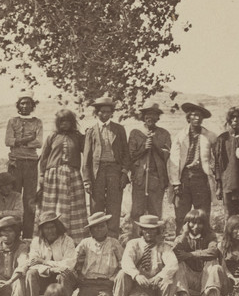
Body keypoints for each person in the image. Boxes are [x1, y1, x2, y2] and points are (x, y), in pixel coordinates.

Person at [36, 108, 88, 242]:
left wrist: (88, 136)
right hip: (53, 177)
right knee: (52, 207)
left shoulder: (77, 137)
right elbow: (44, 158)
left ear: (72, 122)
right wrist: (41, 175)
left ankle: (73, 240)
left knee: (73, 207)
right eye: (61, 121)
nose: (64, 124)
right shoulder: (52, 137)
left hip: (72, 176)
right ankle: (51, 237)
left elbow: (88, 151)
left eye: (67, 121)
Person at [82, 95, 130, 238]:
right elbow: (87, 158)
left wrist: (124, 172)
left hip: (114, 170)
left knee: (114, 205)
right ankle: (96, 238)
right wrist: (87, 180)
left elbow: (126, 154)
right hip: (98, 172)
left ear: (112, 113)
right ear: (97, 113)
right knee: (96, 206)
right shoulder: (91, 130)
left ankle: (113, 238)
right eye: (102, 111)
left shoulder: (119, 129)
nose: (105, 114)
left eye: (108, 111)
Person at [169, 101, 216, 232]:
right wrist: (176, 183)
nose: (197, 118)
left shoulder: (210, 136)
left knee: (202, 214)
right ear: (188, 117)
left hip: (201, 178)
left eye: (200, 115)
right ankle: (180, 244)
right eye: (194, 115)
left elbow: (217, 157)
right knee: (181, 215)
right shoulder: (180, 136)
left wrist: (213, 173)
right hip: (184, 178)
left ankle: (203, 243)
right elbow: (174, 160)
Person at [115, 215, 178, 296]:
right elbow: (126, 261)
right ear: (141, 230)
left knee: (170, 275)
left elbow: (173, 263)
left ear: (157, 231)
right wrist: (136, 275)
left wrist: (159, 276)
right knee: (122, 274)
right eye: (146, 229)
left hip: (155, 286)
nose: (149, 233)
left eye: (152, 230)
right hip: (135, 284)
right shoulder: (133, 244)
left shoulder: (163, 246)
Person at [127, 102, 172, 236]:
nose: (150, 117)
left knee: (155, 211)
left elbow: (167, 154)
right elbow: (130, 156)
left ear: (158, 118)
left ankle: (156, 240)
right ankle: (135, 238)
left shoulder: (164, 134)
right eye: (147, 115)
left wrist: (155, 146)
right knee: (137, 211)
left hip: (156, 178)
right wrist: (144, 148)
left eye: (154, 115)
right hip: (140, 178)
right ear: (143, 117)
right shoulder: (135, 133)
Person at [5, 93, 43, 238]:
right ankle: (13, 233)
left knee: (29, 200)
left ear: (32, 106)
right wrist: (28, 139)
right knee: (14, 197)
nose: (25, 106)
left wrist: (19, 141)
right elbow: (8, 141)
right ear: (18, 105)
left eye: (28, 103)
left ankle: (27, 236)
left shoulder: (38, 122)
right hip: (15, 163)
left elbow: (38, 143)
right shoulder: (12, 121)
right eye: (22, 103)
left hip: (31, 163)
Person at [172, 208, 224, 296]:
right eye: (192, 223)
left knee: (213, 263)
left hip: (205, 278)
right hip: (188, 280)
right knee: (178, 264)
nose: (196, 227)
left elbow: (213, 252)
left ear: (204, 224)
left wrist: (190, 255)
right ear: (187, 223)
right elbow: (173, 254)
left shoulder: (210, 236)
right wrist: (184, 234)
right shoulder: (181, 238)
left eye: (200, 223)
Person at [73, 212, 124, 296]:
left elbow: (123, 263)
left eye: (102, 226)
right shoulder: (85, 243)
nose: (99, 229)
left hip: (106, 284)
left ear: (106, 227)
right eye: (96, 228)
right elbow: (73, 259)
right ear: (91, 230)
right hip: (88, 283)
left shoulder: (114, 243)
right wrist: (79, 274)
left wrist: (113, 278)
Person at [25, 212, 78, 296]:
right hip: (44, 278)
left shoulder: (67, 241)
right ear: (42, 230)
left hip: (65, 280)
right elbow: (33, 263)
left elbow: (68, 265)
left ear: (58, 227)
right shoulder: (36, 242)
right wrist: (51, 270)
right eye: (46, 228)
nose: (50, 231)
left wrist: (44, 262)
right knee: (31, 273)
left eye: (52, 227)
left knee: (63, 275)